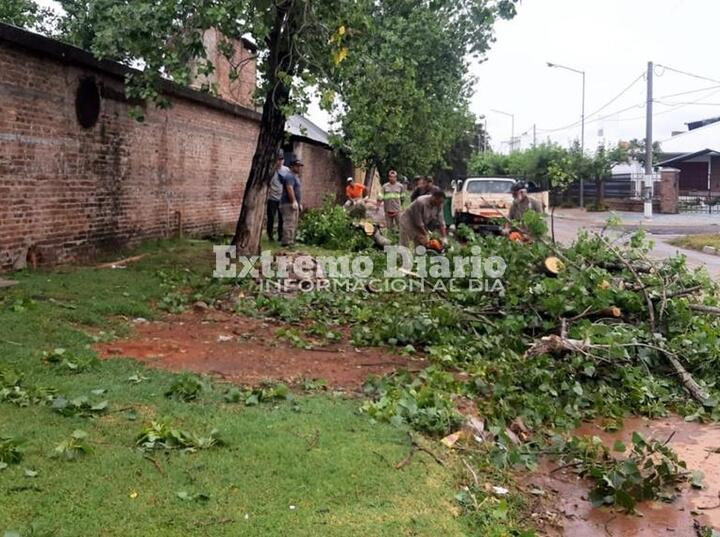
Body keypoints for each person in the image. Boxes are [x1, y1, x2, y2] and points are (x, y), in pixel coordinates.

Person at [279, 157, 304, 247]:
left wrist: (299, 203)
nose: (299, 168)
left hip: (293, 204)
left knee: (293, 223)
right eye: (297, 166)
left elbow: (297, 190)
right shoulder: (289, 176)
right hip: (288, 204)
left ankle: (291, 241)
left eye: (300, 166)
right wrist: (293, 201)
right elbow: (289, 188)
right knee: (289, 222)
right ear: (292, 166)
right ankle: (286, 242)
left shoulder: (295, 177)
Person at [266, 149, 289, 241]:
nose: (280, 161)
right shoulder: (271, 170)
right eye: (278, 159)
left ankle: (280, 235)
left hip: (282, 198)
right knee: (271, 217)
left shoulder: (286, 170)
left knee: (282, 218)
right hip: (272, 198)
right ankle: (270, 235)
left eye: (281, 159)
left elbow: (289, 184)